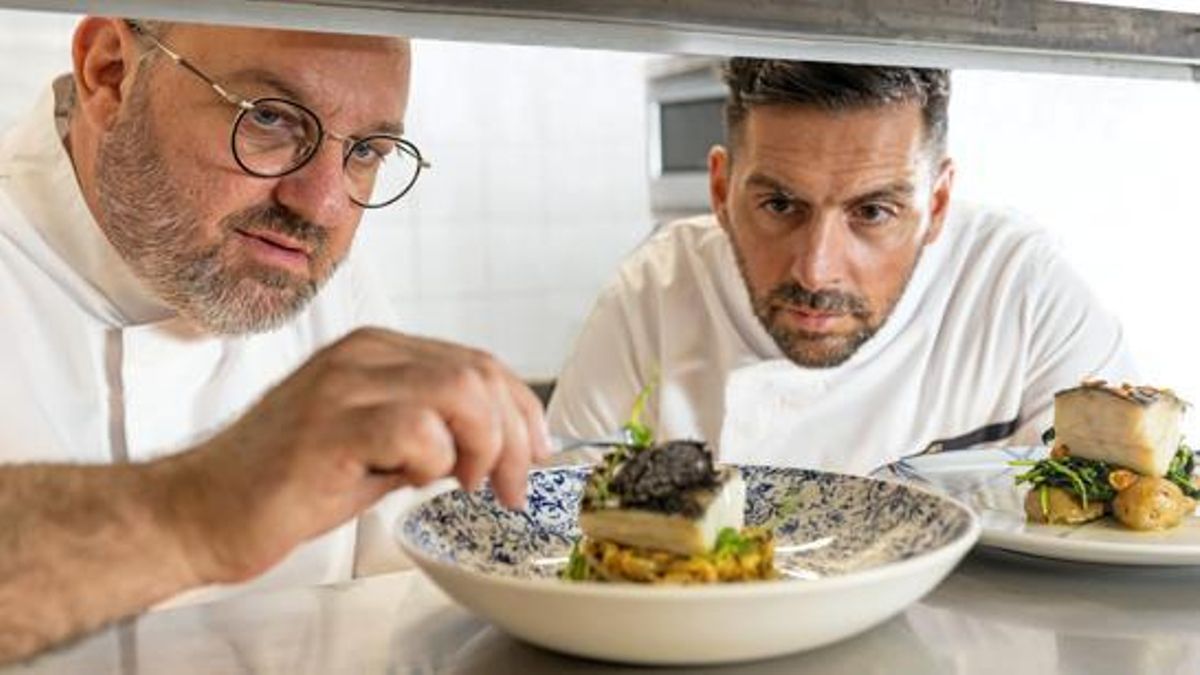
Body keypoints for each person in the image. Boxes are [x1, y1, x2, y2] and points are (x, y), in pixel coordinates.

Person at [0, 17, 548, 662]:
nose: (319, 205)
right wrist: (199, 508)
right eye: (268, 117)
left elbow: (414, 597)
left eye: (367, 151)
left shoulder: (304, 268)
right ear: (110, 72)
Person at [548, 58, 1135, 474]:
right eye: (780, 205)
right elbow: (559, 532)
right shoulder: (652, 294)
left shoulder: (1020, 289)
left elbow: (1127, 504)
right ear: (722, 190)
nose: (815, 271)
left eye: (873, 211)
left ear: (936, 205)